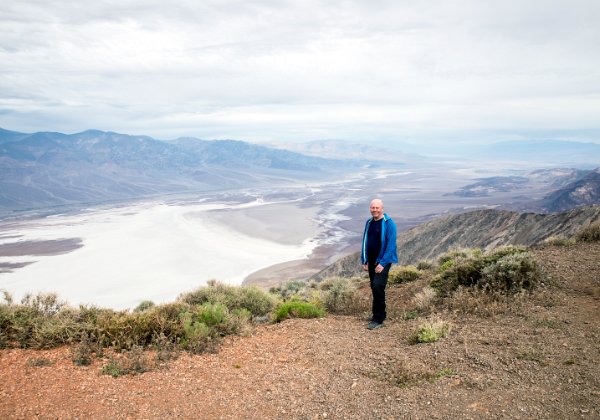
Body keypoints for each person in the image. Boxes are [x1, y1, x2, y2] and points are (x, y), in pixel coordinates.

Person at [360, 198, 398, 330]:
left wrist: (382, 263)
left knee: (377, 286)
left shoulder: (389, 224)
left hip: (383, 261)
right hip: (371, 260)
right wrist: (364, 260)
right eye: (372, 208)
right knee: (373, 286)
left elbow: (391, 245)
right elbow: (365, 241)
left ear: (382, 208)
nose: (375, 210)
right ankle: (378, 314)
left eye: (377, 208)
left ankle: (379, 319)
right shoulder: (369, 222)